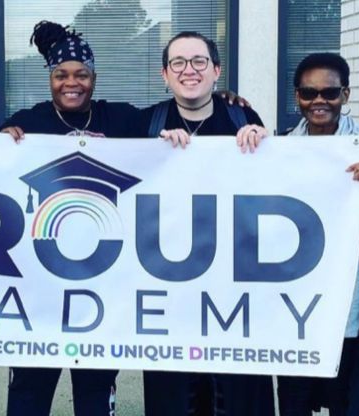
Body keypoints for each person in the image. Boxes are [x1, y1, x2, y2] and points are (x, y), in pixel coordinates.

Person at [0, 21, 148, 416]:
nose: (72, 82)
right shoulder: (27, 123)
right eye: (61, 74)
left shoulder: (123, 120)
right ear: (49, 78)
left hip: (101, 291)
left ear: (94, 78)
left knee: (96, 394)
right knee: (29, 392)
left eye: (81, 74)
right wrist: (1, 141)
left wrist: (224, 101)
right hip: (41, 290)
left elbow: (180, 123)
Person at [141, 31, 272, 416]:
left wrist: (265, 143)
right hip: (169, 294)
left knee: (237, 394)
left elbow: (274, 184)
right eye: (178, 63)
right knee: (177, 396)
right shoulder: (146, 124)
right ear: (164, 74)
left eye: (199, 61)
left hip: (233, 293)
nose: (189, 70)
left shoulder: (241, 117)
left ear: (216, 71)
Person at [276, 53, 359, 416]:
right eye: (308, 92)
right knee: (293, 397)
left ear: (345, 95)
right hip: (292, 298)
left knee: (345, 398)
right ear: (297, 95)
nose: (319, 101)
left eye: (330, 93)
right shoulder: (281, 148)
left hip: (346, 299)